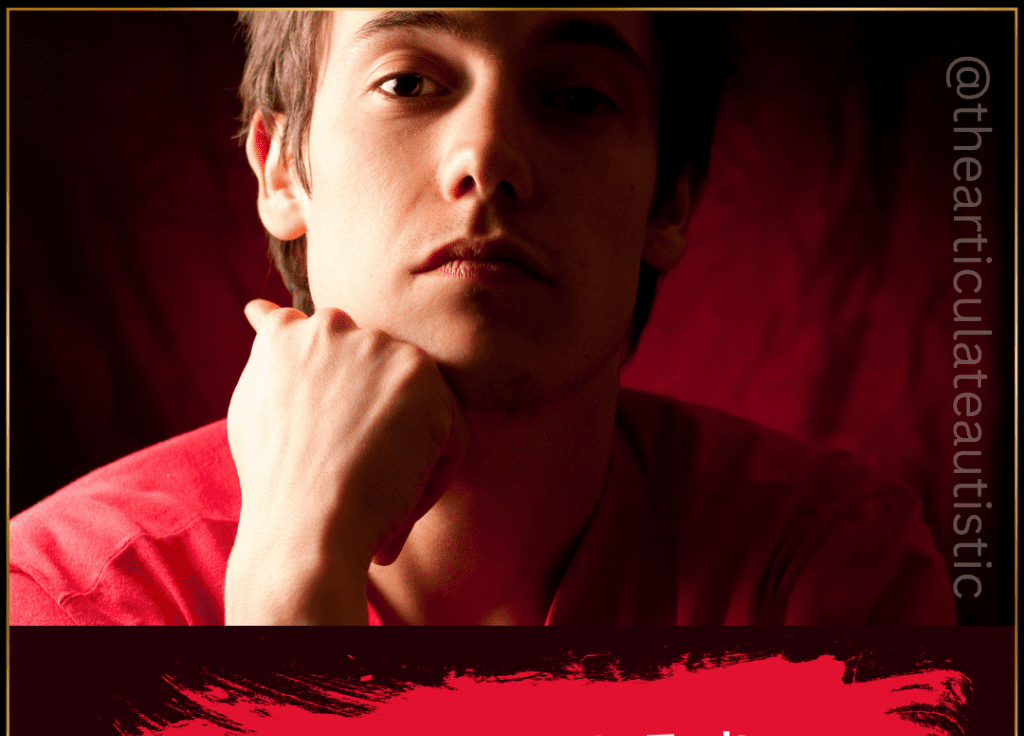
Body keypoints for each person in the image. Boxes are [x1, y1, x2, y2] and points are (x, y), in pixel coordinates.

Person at [9, 10, 956, 626]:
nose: (490, 157)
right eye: (409, 83)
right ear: (282, 170)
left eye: (577, 97)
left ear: (668, 202)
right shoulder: (63, 602)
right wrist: (294, 579)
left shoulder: (828, 569)